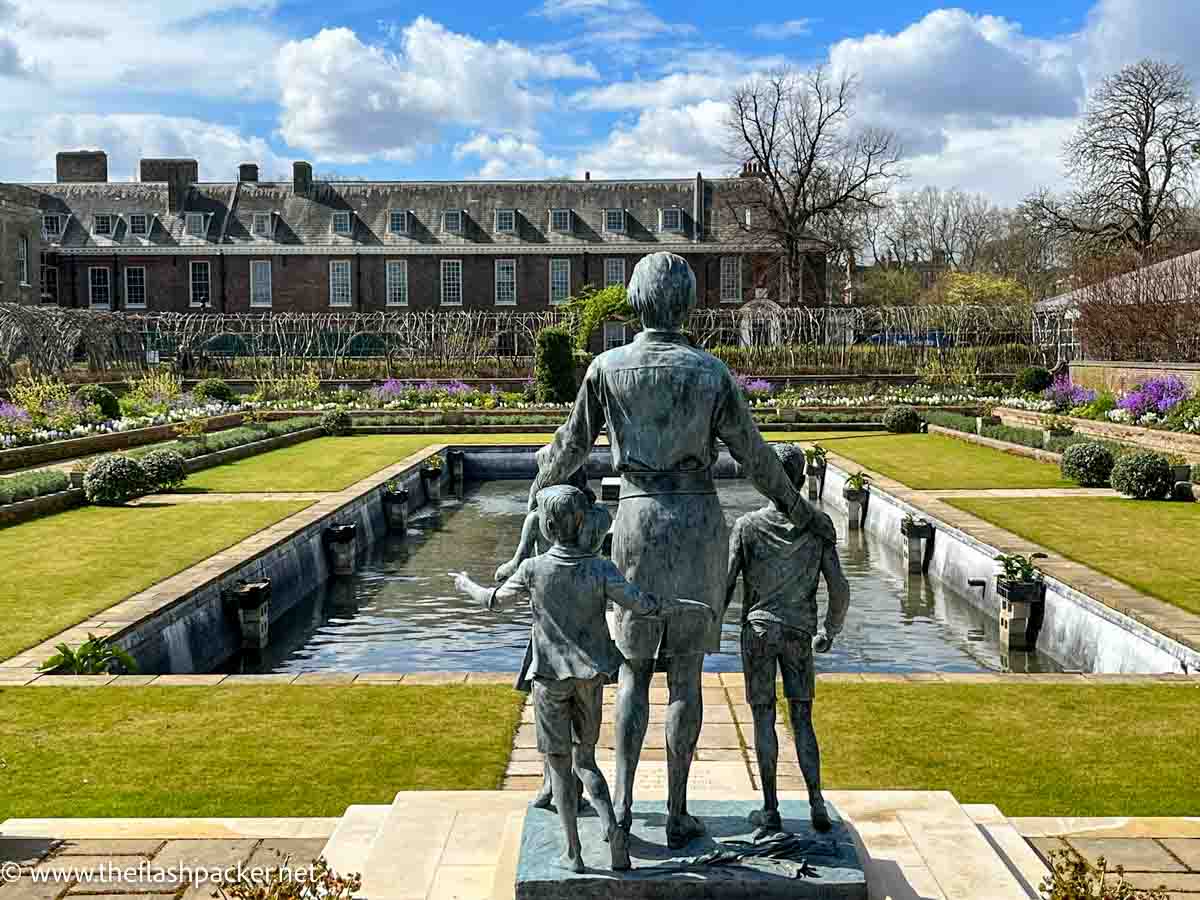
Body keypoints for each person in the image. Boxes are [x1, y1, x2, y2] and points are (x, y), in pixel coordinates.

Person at [529, 251, 833, 849]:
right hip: (697, 525)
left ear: (636, 301)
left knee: (636, 675)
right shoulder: (710, 372)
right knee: (687, 679)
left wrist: (538, 500)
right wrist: (802, 513)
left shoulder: (607, 369)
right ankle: (675, 812)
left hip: (637, 522)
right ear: (687, 304)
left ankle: (619, 804)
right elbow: (758, 459)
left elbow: (567, 450)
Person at [453, 485, 698, 872]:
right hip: (590, 679)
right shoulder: (600, 569)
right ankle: (613, 829)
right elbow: (642, 604)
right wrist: (680, 605)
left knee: (559, 768)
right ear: (582, 522)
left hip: (550, 680)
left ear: (547, 526)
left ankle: (574, 854)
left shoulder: (533, 570)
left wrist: (465, 583)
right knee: (586, 761)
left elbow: (493, 601)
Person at [724, 443, 850, 834]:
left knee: (763, 717)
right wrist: (829, 629)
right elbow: (840, 589)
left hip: (759, 631)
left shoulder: (747, 527)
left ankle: (771, 808)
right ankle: (815, 802)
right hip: (798, 633)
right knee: (802, 719)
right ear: (798, 479)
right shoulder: (817, 528)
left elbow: (724, 587)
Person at [494, 463, 596, 810]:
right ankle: (561, 785)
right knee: (578, 719)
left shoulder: (542, 518)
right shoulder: (596, 517)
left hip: (555, 623)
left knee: (550, 711)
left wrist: (507, 574)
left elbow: (516, 562)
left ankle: (554, 784)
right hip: (576, 624)